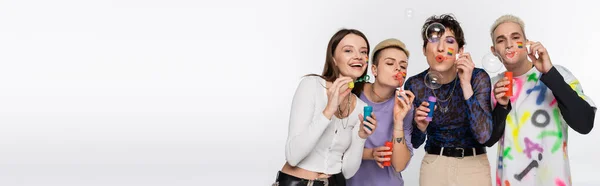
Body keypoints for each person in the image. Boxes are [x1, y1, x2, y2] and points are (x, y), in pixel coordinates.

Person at [487, 14, 597, 186]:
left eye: (515, 37)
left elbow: (584, 123)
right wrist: (501, 106)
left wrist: (550, 73)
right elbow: (488, 140)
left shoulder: (557, 74)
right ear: (494, 50)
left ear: (526, 43)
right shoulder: (494, 86)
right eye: (501, 40)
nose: (509, 44)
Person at [273, 28, 378, 186]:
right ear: (334, 59)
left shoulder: (361, 107)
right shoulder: (312, 86)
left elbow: (348, 171)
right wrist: (329, 110)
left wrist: (361, 136)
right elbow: (293, 156)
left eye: (363, 52)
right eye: (348, 50)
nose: (359, 56)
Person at [404, 14, 494, 186]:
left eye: (449, 41)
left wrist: (466, 85)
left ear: (460, 51)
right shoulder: (415, 85)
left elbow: (483, 136)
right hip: (434, 165)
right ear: (424, 50)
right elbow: (415, 143)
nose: (440, 48)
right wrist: (420, 127)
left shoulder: (477, 78)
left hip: (474, 166)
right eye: (433, 40)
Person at [346, 38, 416, 186]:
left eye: (403, 66)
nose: (398, 69)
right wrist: (369, 154)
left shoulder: (405, 106)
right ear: (374, 70)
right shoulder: (352, 93)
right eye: (390, 63)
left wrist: (398, 121)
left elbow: (399, 165)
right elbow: (333, 147)